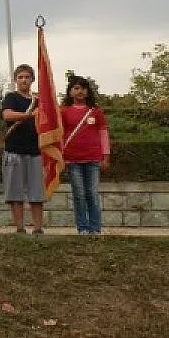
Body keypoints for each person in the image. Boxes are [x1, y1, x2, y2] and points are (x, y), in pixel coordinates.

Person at [61, 75, 110, 235]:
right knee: (79, 195)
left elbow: (103, 134)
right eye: (76, 88)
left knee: (93, 194)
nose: (79, 91)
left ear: (88, 92)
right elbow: (59, 136)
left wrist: (106, 156)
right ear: (70, 92)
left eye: (82, 88)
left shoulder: (96, 112)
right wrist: (60, 157)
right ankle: (82, 228)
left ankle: (95, 228)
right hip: (72, 160)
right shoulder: (64, 112)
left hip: (93, 159)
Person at [1, 64, 45, 235]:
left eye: (27, 77)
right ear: (15, 80)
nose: (24, 80)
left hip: (36, 150)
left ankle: (38, 228)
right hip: (14, 150)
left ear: (32, 79)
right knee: (15, 193)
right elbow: (8, 115)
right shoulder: (11, 97)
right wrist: (30, 115)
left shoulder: (39, 100)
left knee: (37, 194)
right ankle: (20, 228)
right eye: (20, 77)